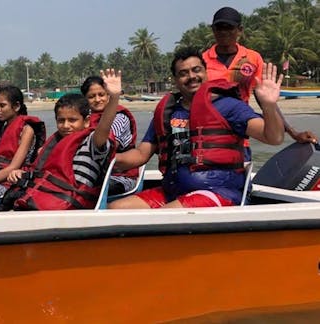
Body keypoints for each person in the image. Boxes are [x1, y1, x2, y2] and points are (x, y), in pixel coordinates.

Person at [109, 47, 285, 209]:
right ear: (176, 80)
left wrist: (268, 105)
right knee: (116, 209)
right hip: (174, 192)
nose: (192, 76)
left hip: (219, 192)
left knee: (166, 214)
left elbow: (274, 137)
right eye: (183, 73)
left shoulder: (228, 106)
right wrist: (105, 159)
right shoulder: (168, 112)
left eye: (196, 70)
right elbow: (140, 155)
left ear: (205, 72)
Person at [0, 69, 122, 211]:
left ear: (87, 121)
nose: (66, 126)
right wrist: (20, 173)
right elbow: (42, 175)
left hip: (66, 208)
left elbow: (104, 127)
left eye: (72, 120)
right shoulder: (56, 143)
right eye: (61, 121)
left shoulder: (92, 143)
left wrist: (114, 98)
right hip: (42, 201)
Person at [203, 7, 317, 145]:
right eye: (219, 28)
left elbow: (266, 100)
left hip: (240, 135)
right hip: (209, 135)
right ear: (213, 30)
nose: (223, 32)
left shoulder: (252, 58)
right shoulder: (202, 61)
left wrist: (293, 133)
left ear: (240, 30)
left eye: (229, 28)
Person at [81, 76, 138, 195]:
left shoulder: (120, 118)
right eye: (91, 97)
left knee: (88, 188)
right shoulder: (83, 119)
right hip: (91, 173)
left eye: (101, 95)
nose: (97, 99)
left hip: (119, 176)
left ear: (108, 95)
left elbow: (106, 147)